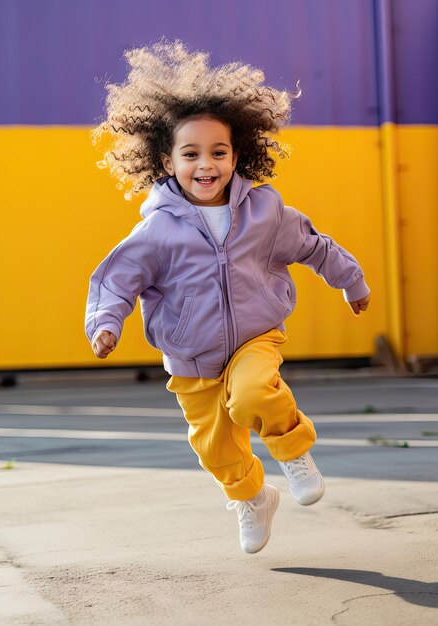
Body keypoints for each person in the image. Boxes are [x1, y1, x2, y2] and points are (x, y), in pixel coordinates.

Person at [85, 41, 370, 554]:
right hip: (191, 358)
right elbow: (116, 280)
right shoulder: (155, 232)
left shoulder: (264, 213)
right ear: (166, 160)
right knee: (216, 450)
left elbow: (312, 245)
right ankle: (253, 498)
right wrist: (105, 324)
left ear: (238, 155)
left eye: (218, 152)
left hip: (255, 336)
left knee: (256, 392)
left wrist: (352, 282)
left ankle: (293, 449)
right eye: (190, 154)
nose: (206, 165)